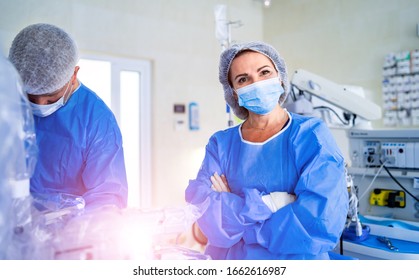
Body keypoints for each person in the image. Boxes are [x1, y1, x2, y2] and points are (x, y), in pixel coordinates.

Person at [185, 41, 349, 260]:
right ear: (234, 93)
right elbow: (207, 217)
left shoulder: (311, 136)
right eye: (243, 79)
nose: (257, 83)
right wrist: (273, 203)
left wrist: (233, 206)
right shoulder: (221, 144)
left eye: (264, 72)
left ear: (280, 78)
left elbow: (318, 223)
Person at [8, 23, 128, 211]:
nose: (39, 104)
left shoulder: (96, 120)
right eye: (29, 96)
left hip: (68, 235)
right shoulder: (7, 104)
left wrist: (75, 233)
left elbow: (107, 198)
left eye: (50, 98)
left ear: (73, 75)